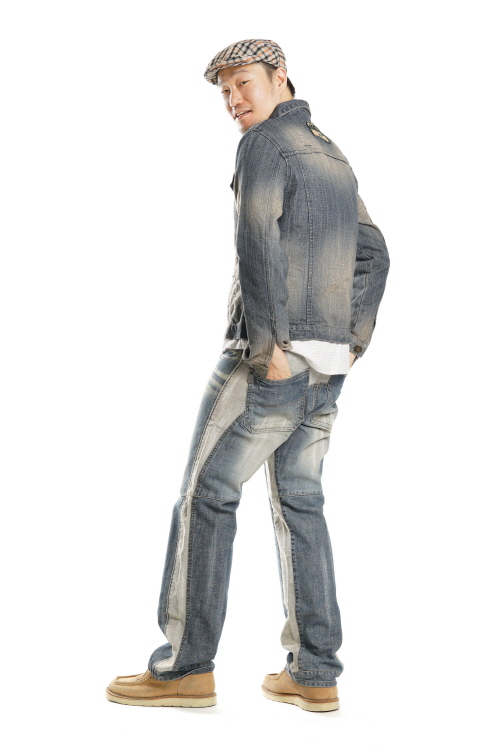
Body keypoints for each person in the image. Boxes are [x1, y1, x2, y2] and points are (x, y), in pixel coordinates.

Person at [105, 38, 390, 712]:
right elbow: (376, 253)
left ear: (279, 76)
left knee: (206, 496)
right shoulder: (331, 153)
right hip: (326, 367)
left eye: (243, 83)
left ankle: (183, 668)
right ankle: (315, 672)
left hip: (269, 358)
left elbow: (257, 242)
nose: (234, 100)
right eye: (224, 91)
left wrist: (268, 349)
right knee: (301, 504)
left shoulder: (263, 145)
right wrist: (350, 341)